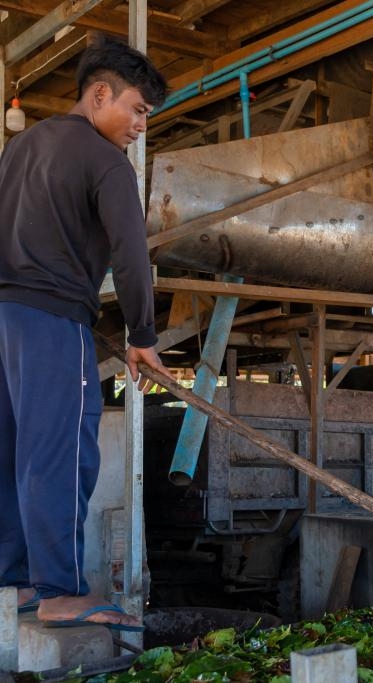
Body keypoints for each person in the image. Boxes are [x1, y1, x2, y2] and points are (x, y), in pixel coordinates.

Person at [0, 36, 175, 630]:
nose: (140, 126)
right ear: (100, 93)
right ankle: (59, 592)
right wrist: (143, 334)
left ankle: (15, 583)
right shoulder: (106, 164)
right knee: (61, 454)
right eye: (138, 109)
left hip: (4, 321)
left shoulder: (20, 147)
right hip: (53, 321)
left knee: (13, 452)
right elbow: (130, 254)